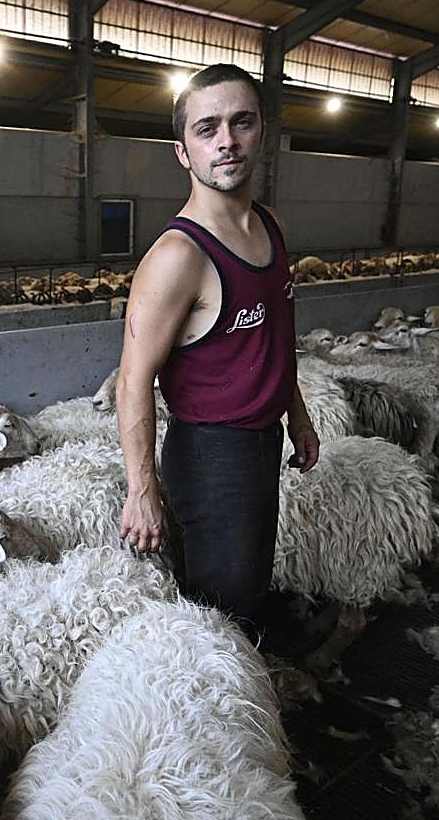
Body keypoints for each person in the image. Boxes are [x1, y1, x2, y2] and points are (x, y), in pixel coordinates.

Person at [115, 63, 319, 647]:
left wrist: (296, 413)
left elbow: (276, 331)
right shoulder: (178, 257)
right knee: (220, 609)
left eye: (241, 122)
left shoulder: (272, 227)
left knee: (252, 582)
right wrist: (141, 489)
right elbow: (133, 380)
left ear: (262, 134)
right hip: (210, 454)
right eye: (207, 129)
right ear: (184, 152)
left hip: (263, 440)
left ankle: (258, 679)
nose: (226, 140)